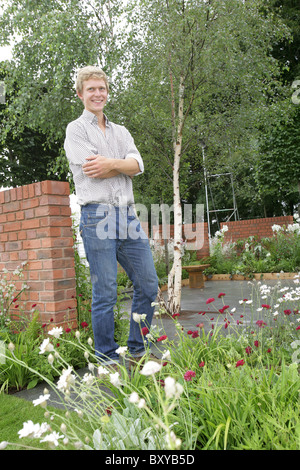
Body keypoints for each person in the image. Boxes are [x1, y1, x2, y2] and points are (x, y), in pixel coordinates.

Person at [64, 66, 158, 367]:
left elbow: (138, 164)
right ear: (81, 94)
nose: (97, 94)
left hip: (128, 216)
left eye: (101, 88)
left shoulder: (122, 132)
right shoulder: (76, 130)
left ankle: (137, 348)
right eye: (91, 89)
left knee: (149, 285)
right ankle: (106, 357)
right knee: (105, 292)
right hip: (97, 216)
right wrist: (123, 164)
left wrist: (115, 163)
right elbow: (93, 167)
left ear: (107, 92)